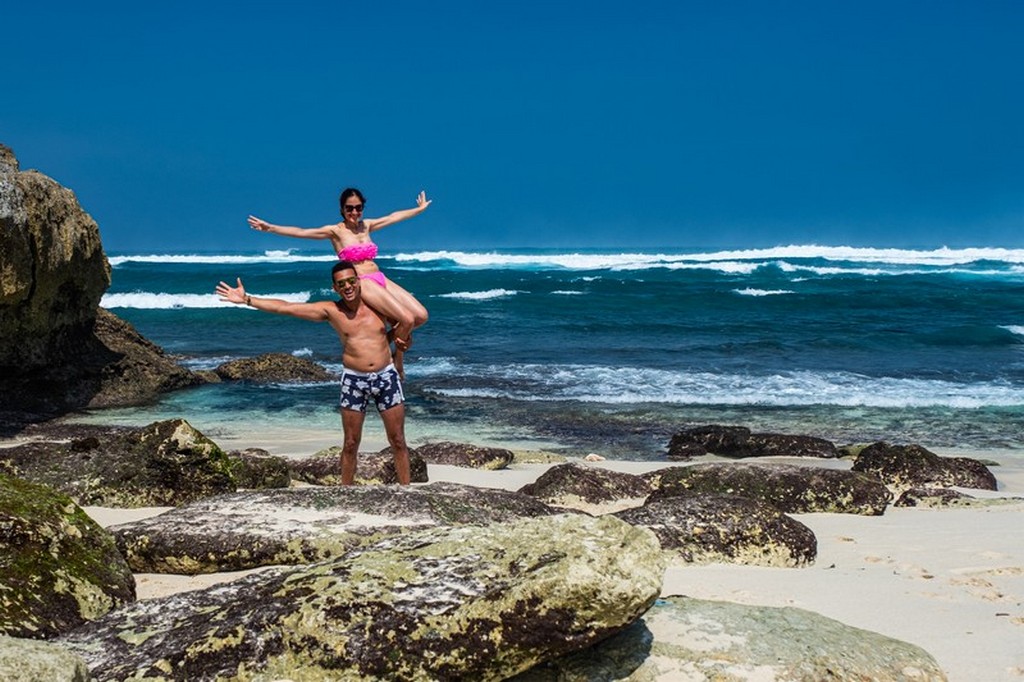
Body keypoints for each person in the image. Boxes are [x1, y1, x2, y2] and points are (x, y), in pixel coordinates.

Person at [216, 261, 413, 485]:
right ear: (335, 288)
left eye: (351, 281)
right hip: (353, 380)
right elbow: (286, 307)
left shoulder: (380, 308)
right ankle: (345, 494)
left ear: (358, 282)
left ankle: (406, 492)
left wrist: (399, 350)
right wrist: (247, 299)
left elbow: (406, 324)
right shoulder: (332, 310)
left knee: (397, 440)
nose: (347, 286)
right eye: (341, 284)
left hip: (386, 377)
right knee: (350, 442)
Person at [248, 189, 431, 378]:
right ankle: (398, 361)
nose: (354, 213)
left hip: (380, 277)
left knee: (420, 316)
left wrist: (419, 210)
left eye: (358, 208)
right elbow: (302, 232)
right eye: (349, 208)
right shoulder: (335, 231)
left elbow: (394, 217)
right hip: (362, 281)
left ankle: (386, 342)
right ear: (342, 210)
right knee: (407, 319)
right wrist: (270, 228)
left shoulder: (366, 226)